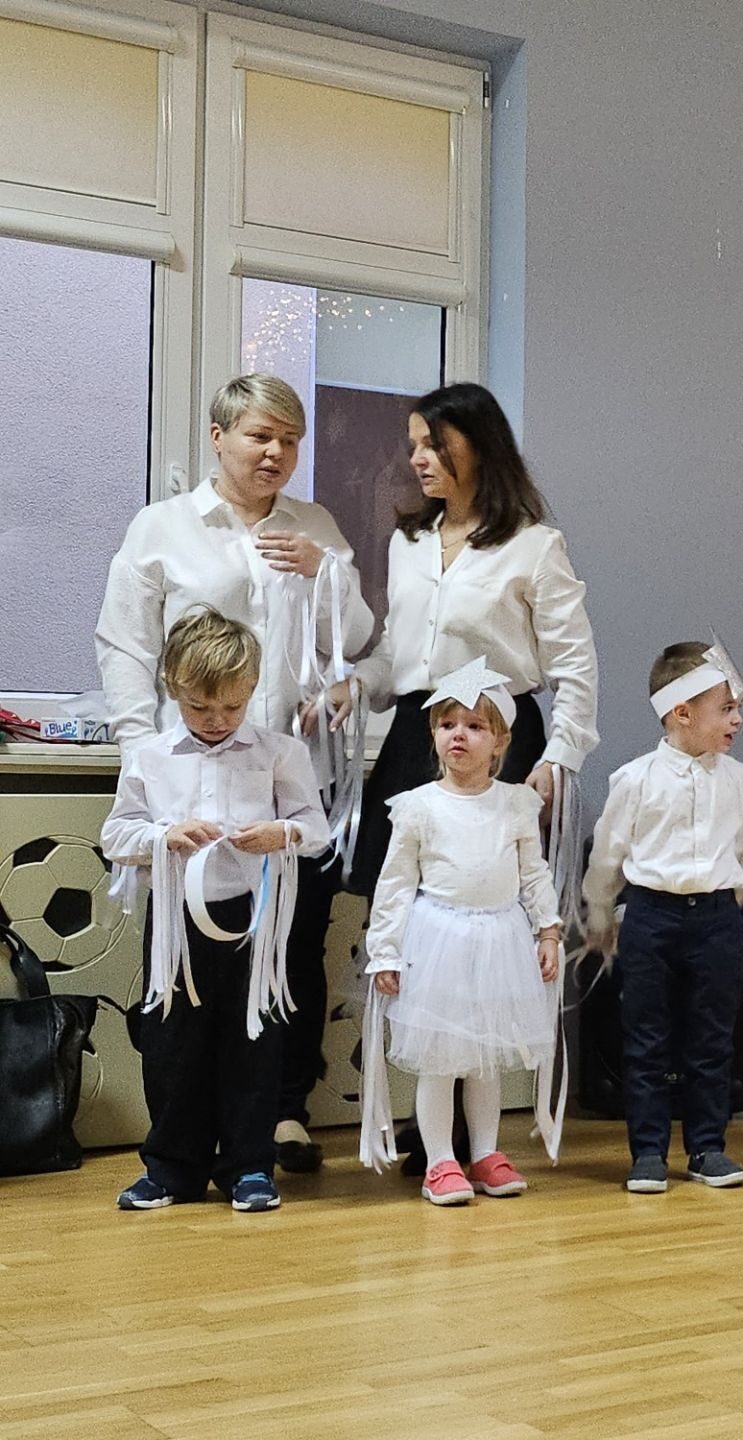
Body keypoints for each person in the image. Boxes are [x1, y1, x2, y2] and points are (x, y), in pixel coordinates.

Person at [96, 373, 373, 1175]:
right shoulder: (162, 528)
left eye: (290, 439)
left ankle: (280, 1115)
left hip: (286, 774)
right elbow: (125, 644)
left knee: (293, 946)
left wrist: (326, 571)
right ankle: (189, 1136)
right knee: (187, 956)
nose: (276, 452)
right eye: (260, 435)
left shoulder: (315, 526)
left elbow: (356, 637)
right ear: (218, 438)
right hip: (189, 773)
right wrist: (140, 749)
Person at [330, 382, 597, 1172]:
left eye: (433, 444)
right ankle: (425, 1125)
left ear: (479, 447)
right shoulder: (408, 542)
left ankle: (470, 1139)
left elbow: (575, 667)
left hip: (503, 742)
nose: (417, 458)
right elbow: (399, 653)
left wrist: (558, 759)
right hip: (421, 739)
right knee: (416, 922)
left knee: (490, 918)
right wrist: (357, 684)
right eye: (413, 444)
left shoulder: (534, 546)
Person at [101, 609, 328, 1212]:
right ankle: (171, 1169)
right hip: (175, 928)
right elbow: (115, 835)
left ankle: (248, 1167)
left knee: (253, 1041)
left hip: (254, 923)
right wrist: (164, 836)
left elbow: (317, 829)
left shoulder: (279, 754)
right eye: (199, 706)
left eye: (231, 706)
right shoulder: (150, 757)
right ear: (173, 687)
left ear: (251, 688)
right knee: (172, 1044)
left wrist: (282, 832)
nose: (216, 720)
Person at [359, 658, 563, 1206]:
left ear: (500, 742)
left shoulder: (516, 803)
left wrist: (547, 930)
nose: (459, 735)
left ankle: (486, 1153)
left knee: (484, 1060)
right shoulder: (418, 807)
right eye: (448, 724)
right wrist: (385, 952)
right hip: (438, 943)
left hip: (499, 942)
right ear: (433, 733)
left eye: (475, 726)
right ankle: (440, 1162)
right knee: (441, 1060)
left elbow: (533, 873)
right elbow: (395, 885)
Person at [584, 638, 743, 1193]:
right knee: (646, 1038)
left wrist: (724, 910)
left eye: (737, 708)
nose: (737, 720)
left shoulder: (740, 779)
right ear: (682, 712)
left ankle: (707, 1147)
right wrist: (600, 914)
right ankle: (648, 1152)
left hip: (716, 920)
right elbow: (608, 854)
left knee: (713, 1039)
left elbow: (742, 853)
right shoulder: (635, 780)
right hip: (651, 918)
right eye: (725, 708)